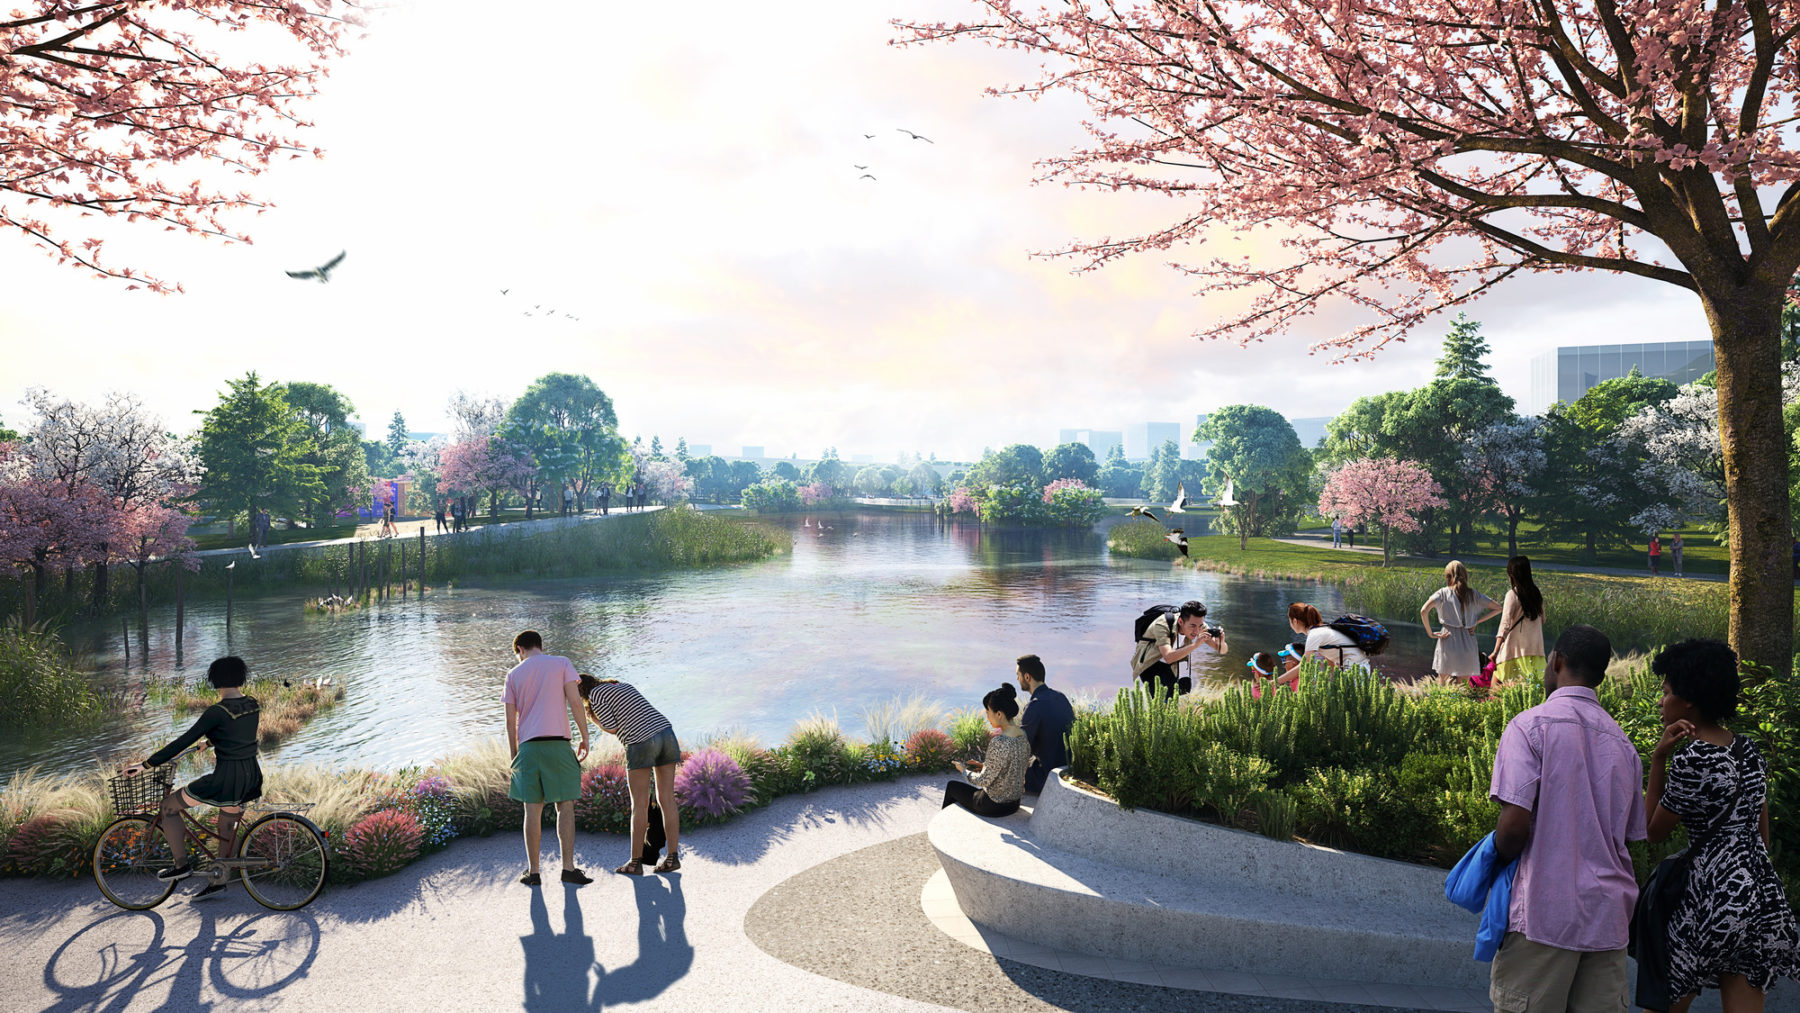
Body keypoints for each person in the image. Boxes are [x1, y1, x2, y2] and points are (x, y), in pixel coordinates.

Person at [1488, 624, 1646, 1013]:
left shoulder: (1529, 726)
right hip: (1608, 921)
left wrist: (1491, 864)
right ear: (1600, 676)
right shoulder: (1624, 746)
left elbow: (1513, 825)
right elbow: (1630, 835)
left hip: (1545, 915)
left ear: (1555, 661)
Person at [1641, 639, 1800, 1012]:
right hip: (1761, 897)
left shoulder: (1692, 759)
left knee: (1664, 1006)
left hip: (1709, 898)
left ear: (1689, 701)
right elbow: (1761, 829)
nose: (1661, 702)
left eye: (1666, 693)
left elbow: (1651, 831)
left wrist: (1659, 759)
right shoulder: (1749, 751)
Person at [119, 656, 264, 900]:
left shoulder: (216, 712)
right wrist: (210, 742)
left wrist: (145, 765)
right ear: (241, 677)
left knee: (168, 807)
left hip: (226, 779)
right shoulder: (252, 704)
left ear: (215, 680)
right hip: (250, 775)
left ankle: (181, 866)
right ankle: (219, 878)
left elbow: (181, 742)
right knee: (226, 824)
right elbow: (240, 736)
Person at [504, 631, 592, 886]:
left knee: (531, 810)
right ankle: (568, 869)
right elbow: (575, 703)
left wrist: (514, 754)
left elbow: (510, 722)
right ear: (540, 646)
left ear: (520, 649)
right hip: (558, 744)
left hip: (529, 749)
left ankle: (533, 873)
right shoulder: (562, 663)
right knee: (565, 806)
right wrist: (584, 737)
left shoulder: (513, 675)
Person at [578, 674, 682, 875]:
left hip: (641, 741)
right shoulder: (622, 685)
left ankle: (635, 863)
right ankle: (672, 858)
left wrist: (593, 720)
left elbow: (611, 727)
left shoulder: (595, 696)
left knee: (639, 805)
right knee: (667, 800)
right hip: (666, 732)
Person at [945, 685, 1027, 817]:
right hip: (1014, 803)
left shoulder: (999, 742)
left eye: (988, 711)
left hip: (993, 806)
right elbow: (1014, 767)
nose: (987, 716)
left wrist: (963, 770)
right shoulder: (1022, 736)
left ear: (999, 714)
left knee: (952, 787)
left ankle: (946, 830)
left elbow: (983, 780)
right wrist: (984, 765)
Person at [1420, 560, 1500, 682]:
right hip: (1468, 639)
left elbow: (1423, 611)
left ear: (1447, 576)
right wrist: (1476, 622)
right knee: (1462, 686)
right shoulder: (1474, 594)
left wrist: (1430, 633)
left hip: (1448, 638)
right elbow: (1498, 608)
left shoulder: (1442, 593)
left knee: (1444, 685)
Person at [1132, 600, 1227, 695]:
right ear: (1181, 621)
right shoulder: (1161, 624)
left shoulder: (1198, 624)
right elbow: (1168, 657)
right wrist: (1195, 645)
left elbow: (1222, 651)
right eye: (1192, 626)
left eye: (1200, 626)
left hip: (1171, 664)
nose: (1197, 631)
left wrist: (1221, 642)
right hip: (1150, 663)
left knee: (1173, 699)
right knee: (1161, 701)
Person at [1015, 654, 1073, 794]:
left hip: (1046, 777)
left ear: (1027, 677)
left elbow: (1021, 749)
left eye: (1018, 675)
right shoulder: (1061, 697)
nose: (1017, 679)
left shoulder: (1034, 706)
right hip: (1068, 769)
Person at [1489, 556, 1547, 690]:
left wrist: (1495, 651)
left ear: (1512, 575)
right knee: (1532, 689)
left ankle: (1496, 710)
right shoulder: (1537, 594)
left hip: (1514, 650)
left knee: (1496, 687)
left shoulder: (1512, 594)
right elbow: (1543, 620)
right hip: (1535, 650)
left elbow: (1505, 624)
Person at [1287, 603, 1366, 669]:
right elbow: (1331, 665)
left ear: (1295, 621)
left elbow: (1304, 665)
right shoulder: (1321, 630)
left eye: (1290, 621)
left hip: (1356, 667)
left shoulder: (1314, 634)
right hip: (1357, 665)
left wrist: (1276, 681)